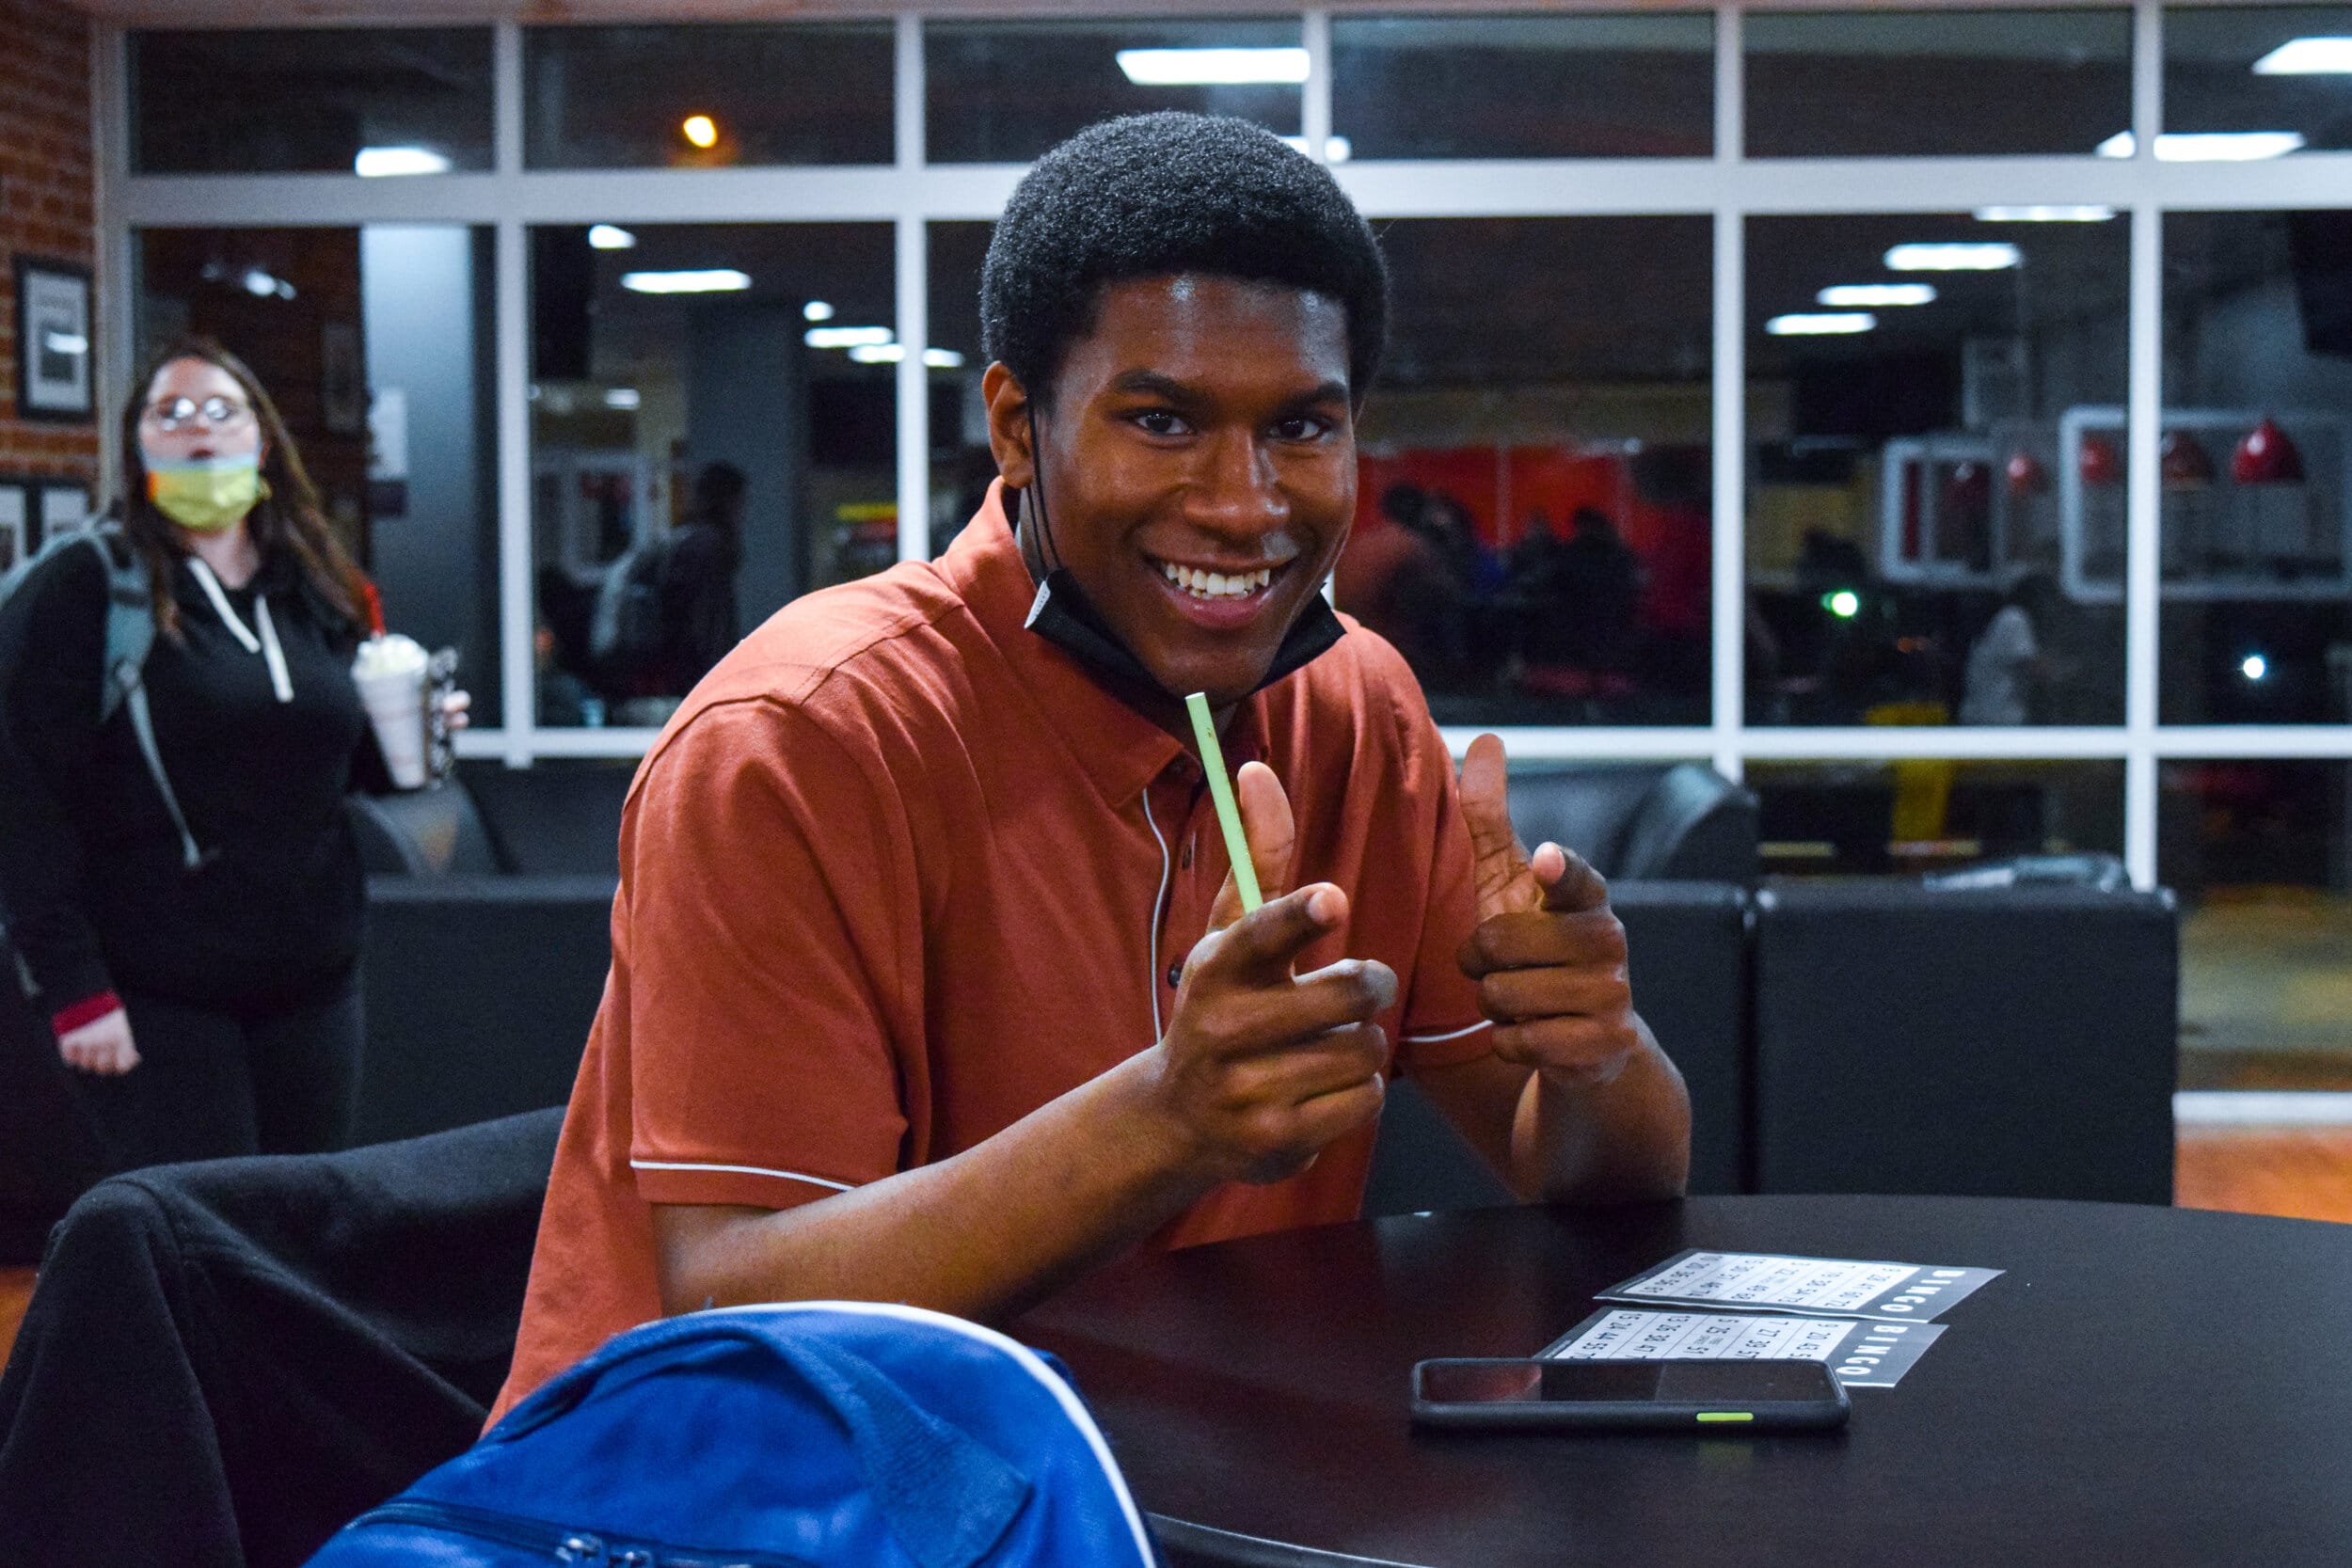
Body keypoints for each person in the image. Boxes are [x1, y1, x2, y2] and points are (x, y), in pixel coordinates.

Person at [492, 113, 1690, 1420]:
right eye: (1163, 420)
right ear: (1019, 425)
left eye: (1301, 425)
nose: (1245, 502)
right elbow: (739, 1309)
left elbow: (1587, 1180)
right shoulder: (801, 735)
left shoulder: (1358, 709)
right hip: (717, 1500)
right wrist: (1170, 1116)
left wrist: (1598, 1049)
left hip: (1149, 1485)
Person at [0, 338, 466, 1171]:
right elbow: (23, 799)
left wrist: (416, 738)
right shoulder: (90, 586)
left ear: (262, 440)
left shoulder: (315, 583)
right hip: (157, 990)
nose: (197, 429)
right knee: (210, 1241)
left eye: (221, 410)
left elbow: (324, 761)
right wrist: (73, 990)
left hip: (314, 979)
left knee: (301, 1229)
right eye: (169, 413)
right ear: (139, 446)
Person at [657, 460, 746, 693]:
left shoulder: (692, 539)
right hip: (698, 666)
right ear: (729, 500)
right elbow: (708, 617)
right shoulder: (710, 545)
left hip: (685, 662)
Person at [1960, 571, 2067, 726]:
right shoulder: (2013, 619)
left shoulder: (2004, 617)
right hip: (1995, 717)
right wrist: (2074, 670)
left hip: (1986, 714)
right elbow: (2037, 669)